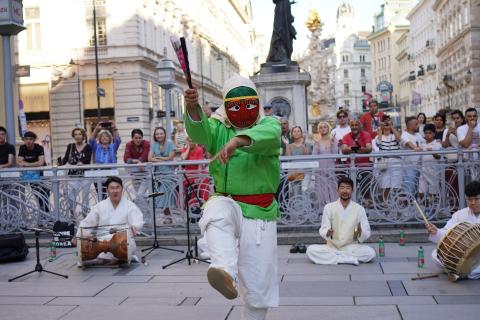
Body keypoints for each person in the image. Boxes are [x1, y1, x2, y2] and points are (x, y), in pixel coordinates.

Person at [184, 74, 280, 320]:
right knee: (215, 211)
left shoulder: (269, 124)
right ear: (226, 105)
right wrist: (193, 108)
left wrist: (236, 142)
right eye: (235, 106)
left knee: (258, 293)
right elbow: (200, 134)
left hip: (260, 211)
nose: (243, 111)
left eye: (249, 104)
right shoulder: (217, 127)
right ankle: (224, 272)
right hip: (228, 202)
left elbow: (267, 138)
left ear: (257, 103)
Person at [73, 176, 143, 265]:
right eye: (112, 188)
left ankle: (114, 258)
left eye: (117, 188)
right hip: (101, 243)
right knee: (84, 257)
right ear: (107, 190)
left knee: (124, 248)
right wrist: (78, 235)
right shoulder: (100, 206)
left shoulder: (130, 206)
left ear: (122, 189)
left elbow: (137, 220)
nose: (115, 191)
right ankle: (110, 258)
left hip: (123, 243)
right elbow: (87, 223)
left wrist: (135, 226)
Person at [306, 177, 375, 265]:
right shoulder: (329, 207)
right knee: (311, 250)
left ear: (352, 190)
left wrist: (360, 231)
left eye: (347, 188)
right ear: (337, 190)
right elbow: (324, 228)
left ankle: (337, 258)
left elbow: (366, 231)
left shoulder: (359, 209)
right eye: (342, 188)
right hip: (332, 247)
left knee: (370, 253)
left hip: (351, 247)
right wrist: (328, 232)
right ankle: (345, 259)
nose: (345, 191)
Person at [426, 180, 480, 280]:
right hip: (462, 256)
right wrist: (436, 232)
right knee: (436, 255)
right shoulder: (459, 215)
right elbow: (447, 233)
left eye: (476, 199)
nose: (473, 203)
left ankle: (460, 272)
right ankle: (464, 272)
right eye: (469, 199)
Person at [61, 128, 93, 216]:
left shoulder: (88, 147)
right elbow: (66, 159)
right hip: (73, 176)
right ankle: (72, 211)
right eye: (76, 134)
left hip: (85, 176)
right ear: (73, 136)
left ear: (83, 136)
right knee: (71, 195)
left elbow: (87, 159)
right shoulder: (70, 146)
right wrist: (59, 163)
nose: (78, 136)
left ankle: (85, 212)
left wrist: (82, 162)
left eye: (80, 134)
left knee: (85, 196)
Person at [18, 131, 50, 214]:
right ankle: (44, 215)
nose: (28, 141)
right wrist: (34, 164)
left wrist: (26, 164)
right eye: (26, 139)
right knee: (37, 195)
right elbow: (20, 163)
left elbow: (41, 163)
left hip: (42, 175)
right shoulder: (22, 148)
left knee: (45, 195)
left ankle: (47, 214)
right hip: (30, 176)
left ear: (34, 140)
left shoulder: (38, 147)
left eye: (30, 139)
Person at [148, 126, 176, 223]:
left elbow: (170, 158)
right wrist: (163, 158)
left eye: (161, 133)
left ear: (164, 134)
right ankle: (168, 217)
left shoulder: (170, 143)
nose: (159, 135)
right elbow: (150, 158)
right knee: (162, 196)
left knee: (165, 196)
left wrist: (158, 158)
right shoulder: (154, 144)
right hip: (158, 175)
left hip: (169, 174)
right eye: (157, 134)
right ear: (155, 135)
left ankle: (168, 217)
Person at [89, 121, 121, 199]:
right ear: (99, 139)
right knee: (101, 196)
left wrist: (114, 128)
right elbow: (91, 140)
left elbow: (118, 140)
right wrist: (96, 129)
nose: (104, 137)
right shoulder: (96, 147)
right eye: (102, 136)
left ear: (110, 138)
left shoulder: (113, 147)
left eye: (106, 136)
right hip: (99, 174)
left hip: (111, 175)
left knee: (112, 195)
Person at [372, 115, 402, 200]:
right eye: (384, 121)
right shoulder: (379, 136)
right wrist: (380, 129)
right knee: (386, 186)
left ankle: (398, 209)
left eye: (388, 121)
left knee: (396, 186)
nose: (386, 123)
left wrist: (391, 126)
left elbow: (399, 139)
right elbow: (378, 143)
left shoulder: (394, 135)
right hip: (384, 163)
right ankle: (386, 208)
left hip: (396, 162)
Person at [312, 122, 338, 205]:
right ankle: (321, 208)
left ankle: (334, 207)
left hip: (331, 169)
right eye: (321, 127)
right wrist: (316, 145)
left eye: (325, 127)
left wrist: (333, 143)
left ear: (328, 128)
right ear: (319, 130)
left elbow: (335, 154)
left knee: (332, 187)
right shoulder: (317, 142)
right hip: (320, 170)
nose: (323, 129)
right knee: (321, 188)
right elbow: (314, 156)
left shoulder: (333, 140)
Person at [418, 124, 442, 204]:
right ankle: (427, 208)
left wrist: (432, 152)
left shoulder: (437, 144)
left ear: (434, 134)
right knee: (421, 193)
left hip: (434, 172)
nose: (428, 135)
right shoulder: (422, 144)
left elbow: (438, 157)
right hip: (423, 172)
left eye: (430, 133)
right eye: (426, 133)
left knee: (433, 194)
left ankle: (431, 211)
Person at [401, 117, 424, 195]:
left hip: (420, 167)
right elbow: (410, 145)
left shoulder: (418, 135)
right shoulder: (404, 135)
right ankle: (407, 205)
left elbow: (424, 143)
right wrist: (417, 148)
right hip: (409, 167)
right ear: (410, 126)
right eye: (416, 124)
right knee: (409, 190)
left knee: (418, 190)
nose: (418, 126)